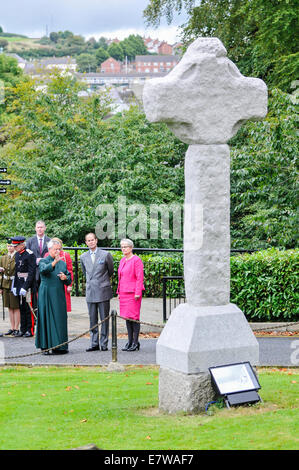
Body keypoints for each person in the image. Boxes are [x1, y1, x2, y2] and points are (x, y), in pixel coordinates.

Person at [35, 239, 72, 355]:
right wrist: (54, 262)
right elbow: (43, 270)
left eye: (59, 249)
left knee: (59, 318)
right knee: (46, 318)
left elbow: (69, 277)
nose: (58, 251)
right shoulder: (44, 261)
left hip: (59, 294)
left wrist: (65, 278)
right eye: (55, 249)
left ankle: (60, 346)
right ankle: (45, 346)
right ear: (50, 249)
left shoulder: (62, 263)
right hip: (46, 293)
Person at [80, 233, 114, 352]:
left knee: (104, 319)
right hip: (91, 291)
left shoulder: (105, 254)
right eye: (88, 241)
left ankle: (103, 343)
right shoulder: (83, 257)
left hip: (103, 290)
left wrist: (102, 281)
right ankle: (94, 343)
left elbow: (111, 270)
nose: (91, 242)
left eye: (92, 240)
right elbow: (85, 272)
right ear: (86, 243)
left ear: (96, 240)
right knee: (92, 319)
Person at [117, 238, 144, 351]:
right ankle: (129, 342)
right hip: (123, 293)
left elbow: (139, 277)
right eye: (122, 247)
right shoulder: (123, 260)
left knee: (134, 318)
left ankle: (135, 342)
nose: (123, 249)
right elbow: (120, 277)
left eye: (126, 247)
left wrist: (138, 292)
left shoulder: (136, 260)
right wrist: (118, 291)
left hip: (133, 293)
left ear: (131, 248)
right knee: (127, 318)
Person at [11, 236, 36, 338]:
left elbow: (31, 273)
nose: (15, 248)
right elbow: (17, 271)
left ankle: (30, 330)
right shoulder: (17, 255)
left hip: (27, 284)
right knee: (21, 307)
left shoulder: (29, 254)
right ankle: (23, 329)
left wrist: (25, 287)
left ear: (22, 245)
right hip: (20, 283)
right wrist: (15, 286)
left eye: (16, 246)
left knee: (28, 308)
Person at [25, 220, 51, 309]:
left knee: (45, 293)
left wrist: (43, 260)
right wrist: (35, 260)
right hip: (34, 271)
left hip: (46, 271)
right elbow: (26, 256)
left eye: (41, 227)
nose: (40, 229)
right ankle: (36, 315)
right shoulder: (30, 241)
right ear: (35, 229)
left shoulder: (50, 241)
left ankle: (45, 313)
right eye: (38, 227)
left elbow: (52, 255)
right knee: (34, 295)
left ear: (45, 228)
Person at [44, 237, 73, 312]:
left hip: (62, 283)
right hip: (51, 283)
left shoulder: (65, 255)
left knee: (63, 304)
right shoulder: (47, 255)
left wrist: (69, 285)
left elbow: (70, 270)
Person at [0, 241, 20, 336]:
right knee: (9, 307)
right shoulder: (3, 258)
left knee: (15, 306)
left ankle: (16, 327)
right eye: (8, 246)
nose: (9, 247)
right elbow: (0, 274)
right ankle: (12, 327)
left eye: (11, 246)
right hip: (5, 284)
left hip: (14, 284)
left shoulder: (18, 257)